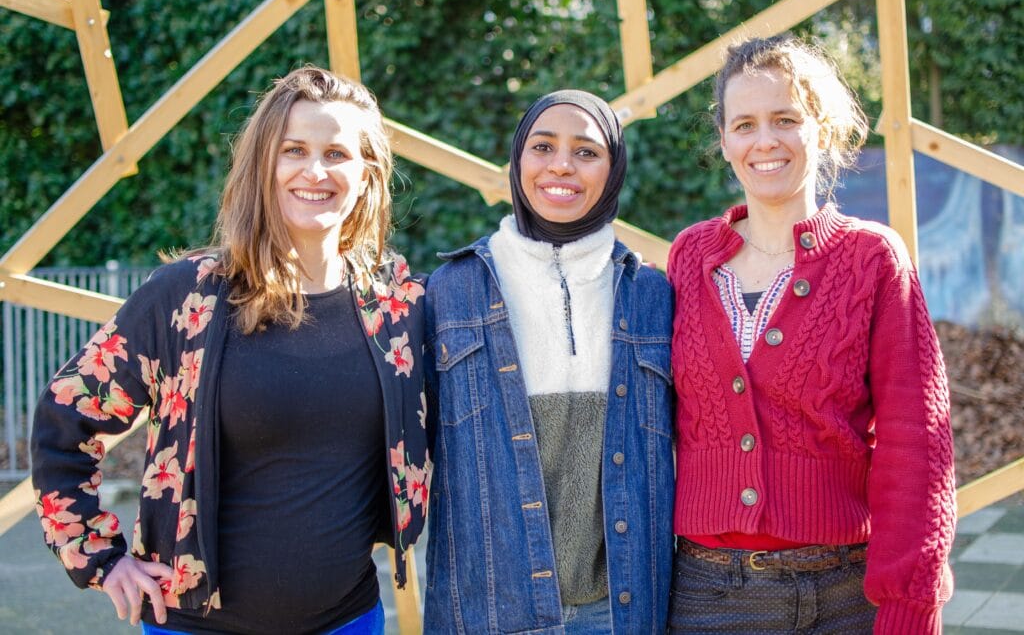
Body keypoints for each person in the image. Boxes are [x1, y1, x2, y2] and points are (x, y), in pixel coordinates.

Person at [30, 66, 430, 635]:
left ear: (366, 174)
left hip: (347, 621)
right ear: (264, 165)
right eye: (294, 149)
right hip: (192, 625)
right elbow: (64, 418)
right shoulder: (188, 295)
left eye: (337, 154)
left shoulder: (395, 306)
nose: (315, 171)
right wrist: (99, 557)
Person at [666, 34, 956, 634]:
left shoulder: (872, 258)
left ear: (820, 128)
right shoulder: (690, 256)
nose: (764, 141)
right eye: (744, 124)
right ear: (724, 140)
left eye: (785, 119)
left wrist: (909, 605)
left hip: (843, 596)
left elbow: (916, 443)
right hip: (705, 596)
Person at [422, 90, 674, 634]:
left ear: (614, 169)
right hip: (490, 609)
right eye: (542, 146)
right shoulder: (452, 292)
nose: (562, 164)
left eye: (586, 152)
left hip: (621, 611)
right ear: (517, 162)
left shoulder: (651, 294)